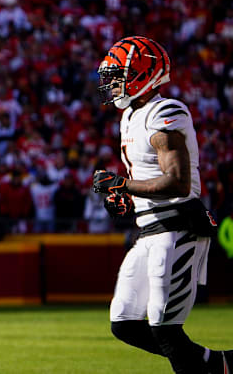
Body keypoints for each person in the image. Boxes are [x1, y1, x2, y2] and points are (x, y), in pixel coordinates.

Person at [93, 36, 232, 374]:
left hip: (177, 226)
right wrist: (125, 197)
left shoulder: (165, 111)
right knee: (123, 322)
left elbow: (177, 181)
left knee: (165, 329)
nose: (111, 84)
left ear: (141, 73)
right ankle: (220, 364)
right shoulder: (130, 116)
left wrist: (124, 185)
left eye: (116, 76)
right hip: (149, 229)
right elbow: (148, 182)